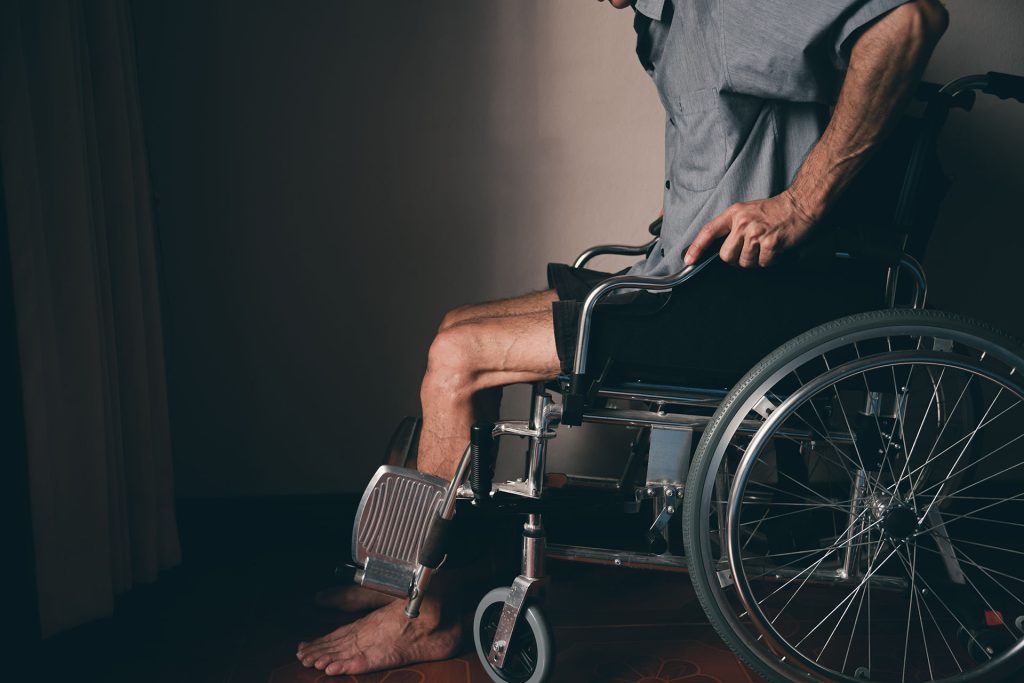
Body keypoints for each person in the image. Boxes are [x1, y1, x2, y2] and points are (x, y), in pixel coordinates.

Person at [296, 0, 949, 675]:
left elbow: (910, 20)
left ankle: (422, 614)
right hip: (676, 278)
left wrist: (799, 204)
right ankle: (418, 567)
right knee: (455, 327)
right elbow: (747, 125)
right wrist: (696, 199)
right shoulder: (661, 22)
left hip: (722, 303)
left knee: (456, 358)